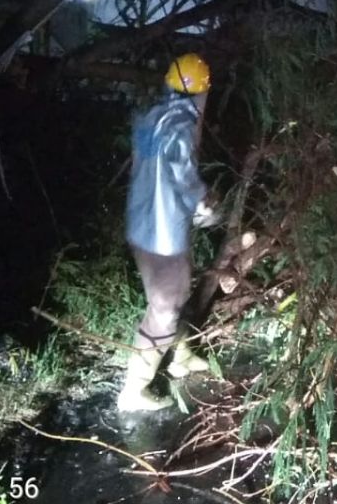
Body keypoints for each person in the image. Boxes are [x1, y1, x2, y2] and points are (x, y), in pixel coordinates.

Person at [117, 52, 218, 412]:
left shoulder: (149, 118)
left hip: (143, 225)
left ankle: (180, 357)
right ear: (201, 93)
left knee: (175, 295)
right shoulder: (180, 126)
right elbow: (182, 175)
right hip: (162, 235)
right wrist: (205, 204)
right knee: (164, 308)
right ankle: (134, 390)